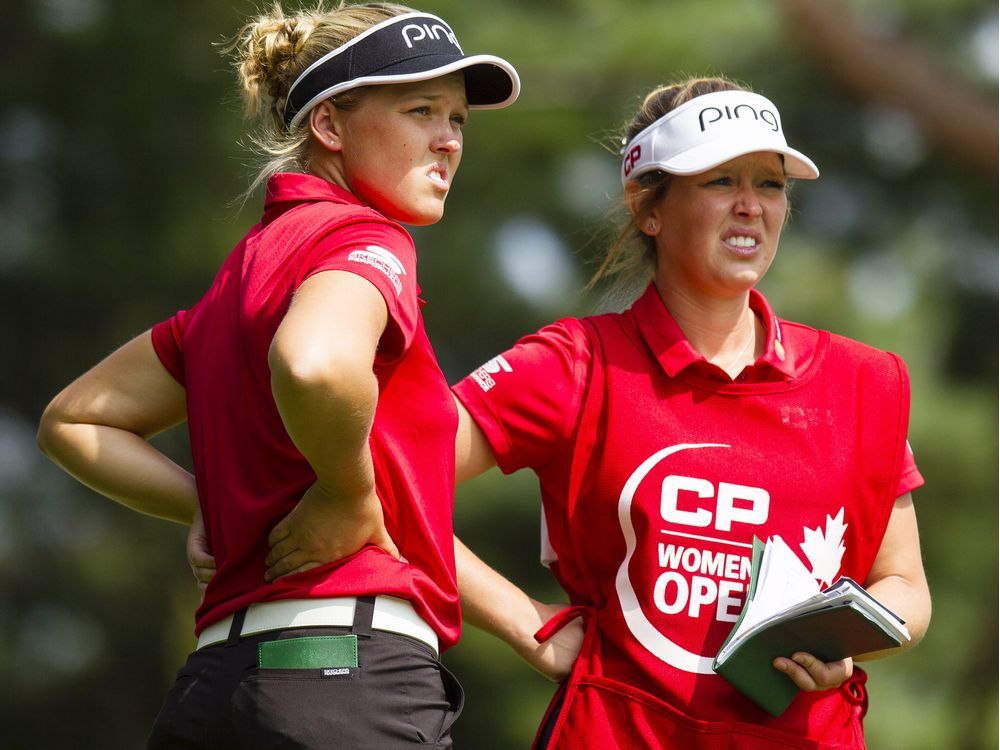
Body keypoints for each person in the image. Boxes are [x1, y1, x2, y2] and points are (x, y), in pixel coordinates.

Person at [36, 2, 519, 747]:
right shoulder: (365, 236)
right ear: (329, 126)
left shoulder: (241, 275)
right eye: (422, 109)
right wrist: (345, 492)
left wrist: (214, 508)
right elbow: (315, 363)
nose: (448, 139)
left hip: (213, 687)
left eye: (458, 118)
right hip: (346, 677)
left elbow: (73, 420)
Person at [450, 76, 932, 748]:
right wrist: (527, 622)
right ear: (648, 207)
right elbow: (388, 472)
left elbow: (905, 584)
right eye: (718, 182)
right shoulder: (575, 364)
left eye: (769, 184)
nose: (750, 207)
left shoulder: (865, 383)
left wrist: (849, 640)